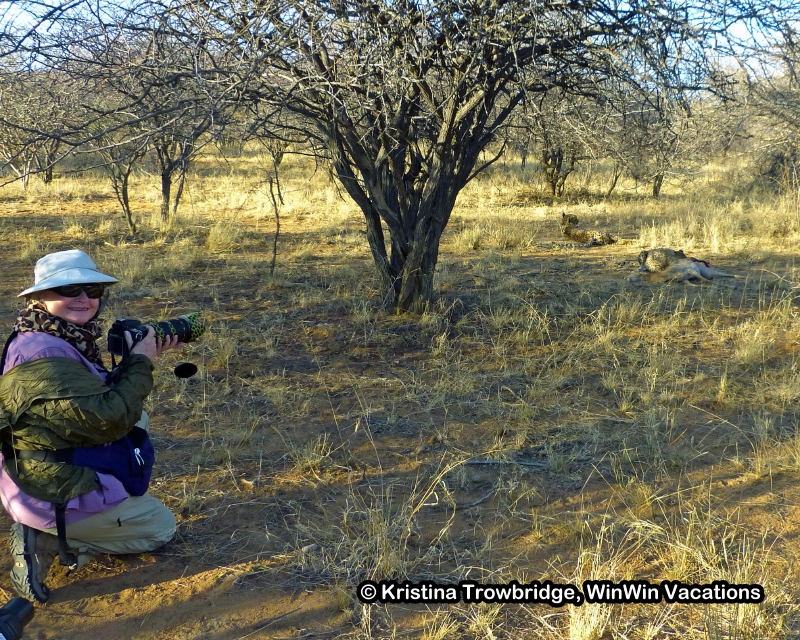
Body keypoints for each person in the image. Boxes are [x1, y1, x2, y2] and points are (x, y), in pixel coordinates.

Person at [0, 249, 181, 603]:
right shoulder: (43, 352)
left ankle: (83, 518)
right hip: (48, 488)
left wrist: (130, 360)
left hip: (43, 464)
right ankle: (46, 538)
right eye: (69, 290)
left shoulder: (54, 333)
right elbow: (109, 419)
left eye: (92, 289)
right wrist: (140, 362)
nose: (83, 298)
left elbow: (96, 400)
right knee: (161, 527)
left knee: (139, 420)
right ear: (40, 296)